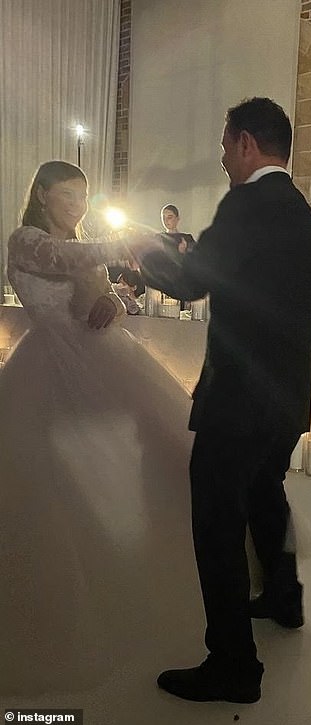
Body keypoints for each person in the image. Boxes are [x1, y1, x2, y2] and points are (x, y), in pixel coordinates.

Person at [134, 97, 311, 704]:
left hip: (239, 399)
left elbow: (194, 282)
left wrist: (141, 254)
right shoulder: (302, 214)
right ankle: (283, 598)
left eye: (224, 144)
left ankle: (233, 665)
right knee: (266, 495)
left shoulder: (246, 205)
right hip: (287, 399)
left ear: (246, 142)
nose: (222, 158)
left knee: (218, 526)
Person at [0, 161, 201, 695]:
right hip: (48, 370)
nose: (78, 204)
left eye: (84, 195)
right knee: (51, 493)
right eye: (69, 194)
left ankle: (137, 584)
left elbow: (106, 294)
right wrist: (127, 240)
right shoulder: (26, 239)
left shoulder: (85, 240)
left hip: (99, 364)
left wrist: (114, 298)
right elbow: (67, 259)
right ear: (42, 194)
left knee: (122, 477)